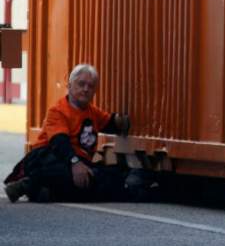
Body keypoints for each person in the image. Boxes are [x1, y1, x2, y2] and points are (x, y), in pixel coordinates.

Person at [3, 63, 145, 203]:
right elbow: (59, 143)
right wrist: (75, 163)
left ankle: (48, 192)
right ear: (69, 85)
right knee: (79, 176)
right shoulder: (58, 110)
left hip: (76, 161)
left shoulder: (92, 112)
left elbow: (110, 123)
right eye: (81, 84)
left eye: (90, 86)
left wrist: (122, 119)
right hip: (47, 157)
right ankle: (31, 183)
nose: (85, 89)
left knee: (103, 178)